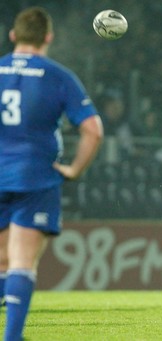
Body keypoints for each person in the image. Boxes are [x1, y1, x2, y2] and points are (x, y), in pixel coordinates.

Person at [0, 7, 103, 341]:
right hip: (34, 177)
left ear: (13, 36)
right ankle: (12, 337)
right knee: (21, 262)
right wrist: (73, 169)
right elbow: (93, 131)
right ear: (48, 37)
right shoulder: (57, 75)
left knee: (2, 261)